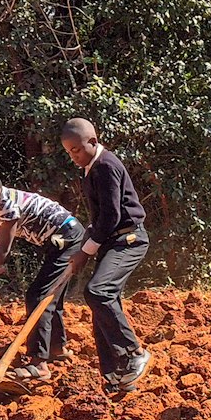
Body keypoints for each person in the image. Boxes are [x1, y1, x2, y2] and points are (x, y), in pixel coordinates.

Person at [0, 167, 85, 382]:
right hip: (61, 241)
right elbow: (2, 254)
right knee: (48, 297)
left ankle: (39, 363)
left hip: (68, 240)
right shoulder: (3, 204)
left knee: (38, 297)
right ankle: (56, 348)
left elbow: (2, 251)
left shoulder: (7, 205)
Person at [59, 118, 152, 391]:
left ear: (93, 142)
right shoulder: (89, 168)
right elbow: (99, 216)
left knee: (98, 292)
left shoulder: (106, 166)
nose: (73, 155)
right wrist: (86, 243)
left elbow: (112, 215)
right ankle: (115, 376)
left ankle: (134, 354)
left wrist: (85, 253)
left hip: (129, 239)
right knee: (104, 300)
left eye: (76, 149)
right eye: (68, 151)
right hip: (112, 240)